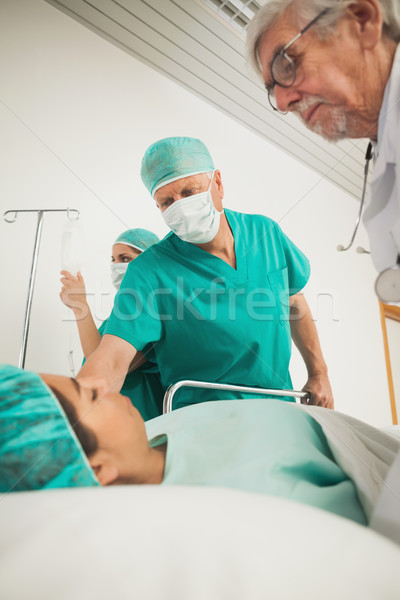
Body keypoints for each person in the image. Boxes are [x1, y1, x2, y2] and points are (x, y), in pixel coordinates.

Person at [78, 136, 334, 410]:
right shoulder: (150, 271)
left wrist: (318, 373)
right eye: (167, 202)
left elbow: (295, 301)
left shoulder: (265, 233)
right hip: (202, 418)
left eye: (189, 192)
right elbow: (113, 356)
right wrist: (72, 405)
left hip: (280, 406)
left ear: (218, 184)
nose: (180, 207)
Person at [3, 364, 400, 527]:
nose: (95, 382)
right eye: (86, 395)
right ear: (96, 471)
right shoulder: (254, 507)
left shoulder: (146, 433)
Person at [247, 0, 400, 277]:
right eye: (272, 89)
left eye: (286, 63)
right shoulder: (386, 153)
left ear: (362, 21)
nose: (282, 103)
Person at [60, 228, 164, 421]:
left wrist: (80, 306)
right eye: (113, 259)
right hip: (110, 415)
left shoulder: (154, 311)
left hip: (141, 420)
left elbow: (105, 365)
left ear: (149, 261)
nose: (116, 266)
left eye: (124, 259)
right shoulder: (119, 315)